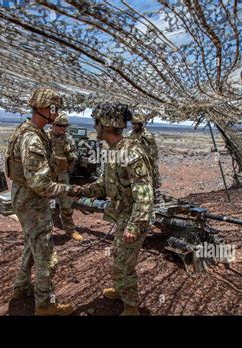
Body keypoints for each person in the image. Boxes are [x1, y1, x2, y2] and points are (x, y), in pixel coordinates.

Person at [68, 103, 154, 316]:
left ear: (105, 125)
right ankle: (120, 289)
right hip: (121, 214)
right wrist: (79, 190)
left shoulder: (131, 152)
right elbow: (104, 185)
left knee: (125, 263)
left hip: (133, 217)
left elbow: (145, 194)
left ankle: (131, 307)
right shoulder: (113, 151)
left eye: (96, 122)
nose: (94, 126)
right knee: (118, 255)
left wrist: (134, 225)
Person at [5, 87, 74, 316]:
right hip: (32, 201)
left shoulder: (29, 130)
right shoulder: (32, 138)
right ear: (43, 108)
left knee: (31, 245)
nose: (56, 114)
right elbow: (40, 184)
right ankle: (45, 304)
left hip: (25, 198)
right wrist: (70, 190)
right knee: (45, 253)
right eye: (53, 108)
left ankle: (20, 288)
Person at [47, 112, 83, 241]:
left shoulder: (68, 138)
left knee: (67, 204)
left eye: (65, 126)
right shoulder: (45, 137)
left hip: (62, 176)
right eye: (59, 125)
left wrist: (67, 164)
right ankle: (47, 232)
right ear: (53, 124)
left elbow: (73, 157)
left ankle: (70, 230)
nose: (62, 128)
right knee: (48, 205)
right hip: (48, 178)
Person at [127, 114, 162, 191]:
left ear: (141, 124)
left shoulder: (147, 135)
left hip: (145, 161)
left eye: (136, 124)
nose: (134, 126)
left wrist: (151, 161)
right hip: (132, 161)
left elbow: (153, 149)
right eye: (133, 124)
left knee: (148, 180)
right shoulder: (129, 134)